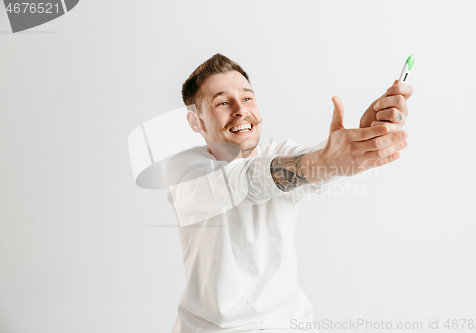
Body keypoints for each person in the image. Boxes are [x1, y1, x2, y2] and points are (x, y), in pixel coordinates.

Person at [165, 53, 413, 333]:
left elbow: (325, 159)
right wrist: (322, 162)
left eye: (247, 98)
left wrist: (366, 134)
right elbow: (245, 180)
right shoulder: (184, 170)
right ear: (196, 121)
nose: (240, 109)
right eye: (222, 102)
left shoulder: (282, 153)